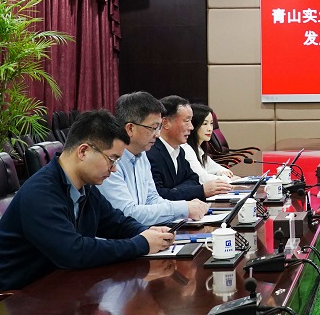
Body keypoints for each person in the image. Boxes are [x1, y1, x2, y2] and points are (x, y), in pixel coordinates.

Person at [0, 110, 174, 292]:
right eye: (112, 160)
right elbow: (73, 252)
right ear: (83, 151)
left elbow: (115, 223)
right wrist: (141, 244)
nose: (114, 169)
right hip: (15, 301)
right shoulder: (41, 192)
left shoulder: (85, 187)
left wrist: (147, 232)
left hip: (57, 288)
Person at [100, 91, 208, 225]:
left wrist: (186, 207)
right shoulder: (110, 161)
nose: (157, 134)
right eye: (153, 128)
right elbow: (127, 213)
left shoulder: (142, 154)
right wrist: (182, 208)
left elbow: (152, 199)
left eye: (159, 128)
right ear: (130, 128)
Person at [146, 95, 231, 201]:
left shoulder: (180, 151)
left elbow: (193, 179)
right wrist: (200, 190)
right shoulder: (151, 153)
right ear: (165, 123)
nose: (191, 127)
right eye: (187, 121)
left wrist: (175, 190)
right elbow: (159, 195)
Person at [184, 102, 238, 183]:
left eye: (211, 123)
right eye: (205, 124)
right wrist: (227, 179)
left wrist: (222, 171)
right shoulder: (186, 149)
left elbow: (213, 167)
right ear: (194, 125)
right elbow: (201, 178)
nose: (210, 129)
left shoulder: (199, 149)